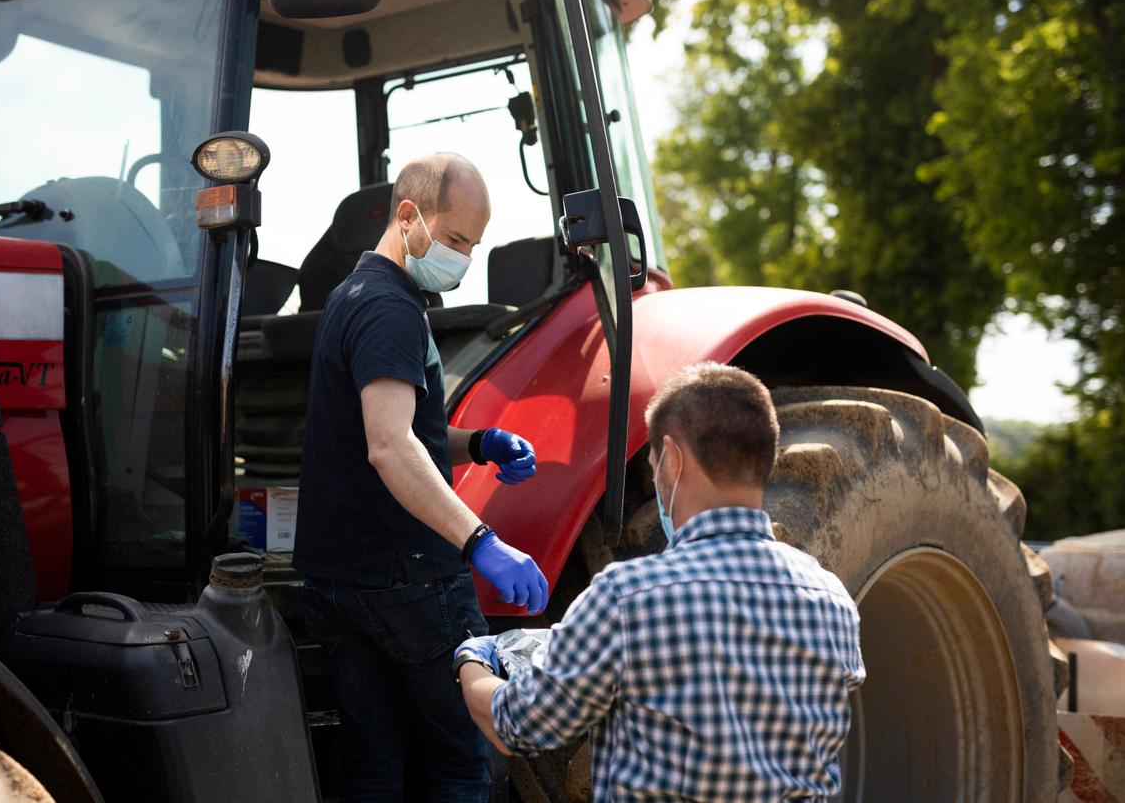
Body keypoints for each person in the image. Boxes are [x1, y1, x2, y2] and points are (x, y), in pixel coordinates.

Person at [454, 362, 866, 801]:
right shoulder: (832, 599)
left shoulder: (628, 599)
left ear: (671, 458)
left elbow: (515, 726)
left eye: (652, 461)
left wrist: (471, 661)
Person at [294, 152, 550, 802]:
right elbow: (388, 446)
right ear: (408, 215)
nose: (462, 258)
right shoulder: (391, 309)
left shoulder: (349, 297)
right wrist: (480, 541)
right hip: (409, 578)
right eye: (455, 238)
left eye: (474, 245)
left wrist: (477, 443)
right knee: (462, 765)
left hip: (339, 580)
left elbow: (390, 432)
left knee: (374, 768)